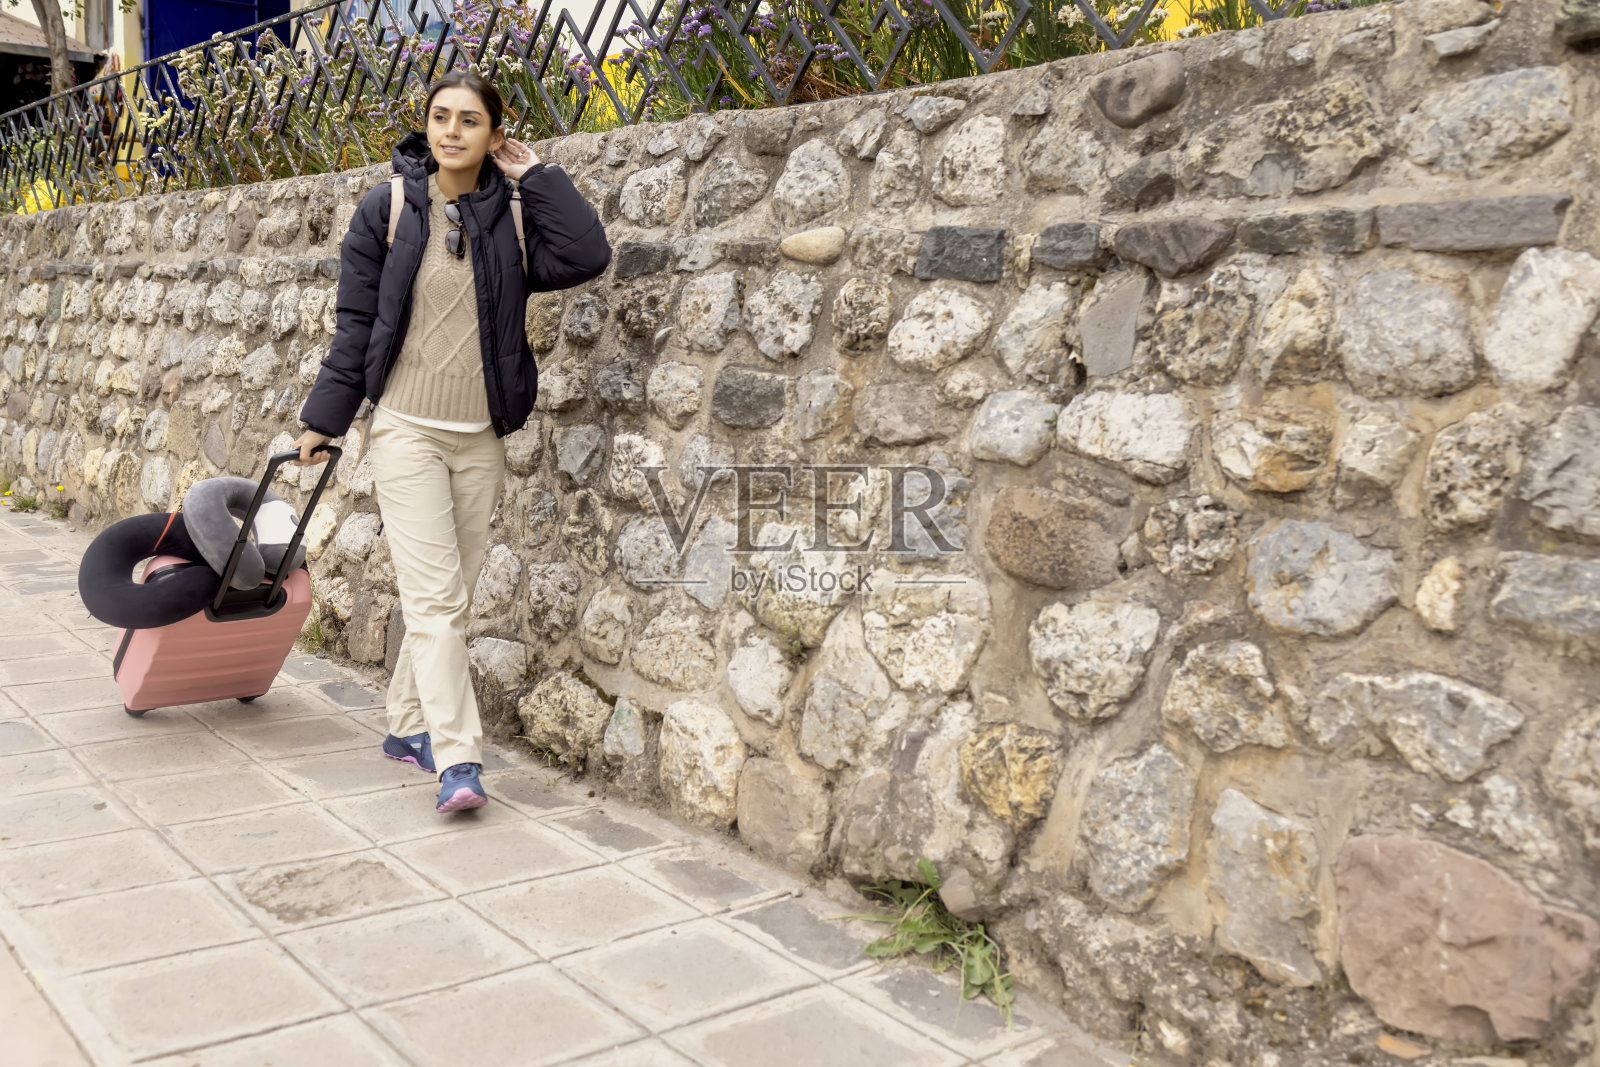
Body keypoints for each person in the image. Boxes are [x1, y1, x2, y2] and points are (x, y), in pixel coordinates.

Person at [292, 70, 610, 813]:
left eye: (470, 120)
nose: (452, 131)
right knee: (435, 601)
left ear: (495, 134)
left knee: (451, 601)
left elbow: (589, 255)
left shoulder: (516, 219)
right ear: (426, 125)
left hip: (480, 436)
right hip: (405, 429)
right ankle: (458, 761)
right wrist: (324, 419)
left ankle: (407, 727)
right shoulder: (391, 208)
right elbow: (355, 325)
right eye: (441, 117)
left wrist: (538, 176)